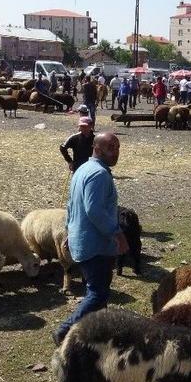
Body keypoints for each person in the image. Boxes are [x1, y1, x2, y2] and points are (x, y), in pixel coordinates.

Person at [54, 133, 128, 343]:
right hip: (96, 243)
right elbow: (94, 210)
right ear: (97, 148)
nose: (116, 152)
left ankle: (98, 333)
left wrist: (70, 231)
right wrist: (117, 232)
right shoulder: (98, 174)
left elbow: (70, 205)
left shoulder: (82, 170)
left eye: (118, 147)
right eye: (110, 147)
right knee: (97, 294)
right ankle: (64, 331)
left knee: (98, 291)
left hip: (83, 239)